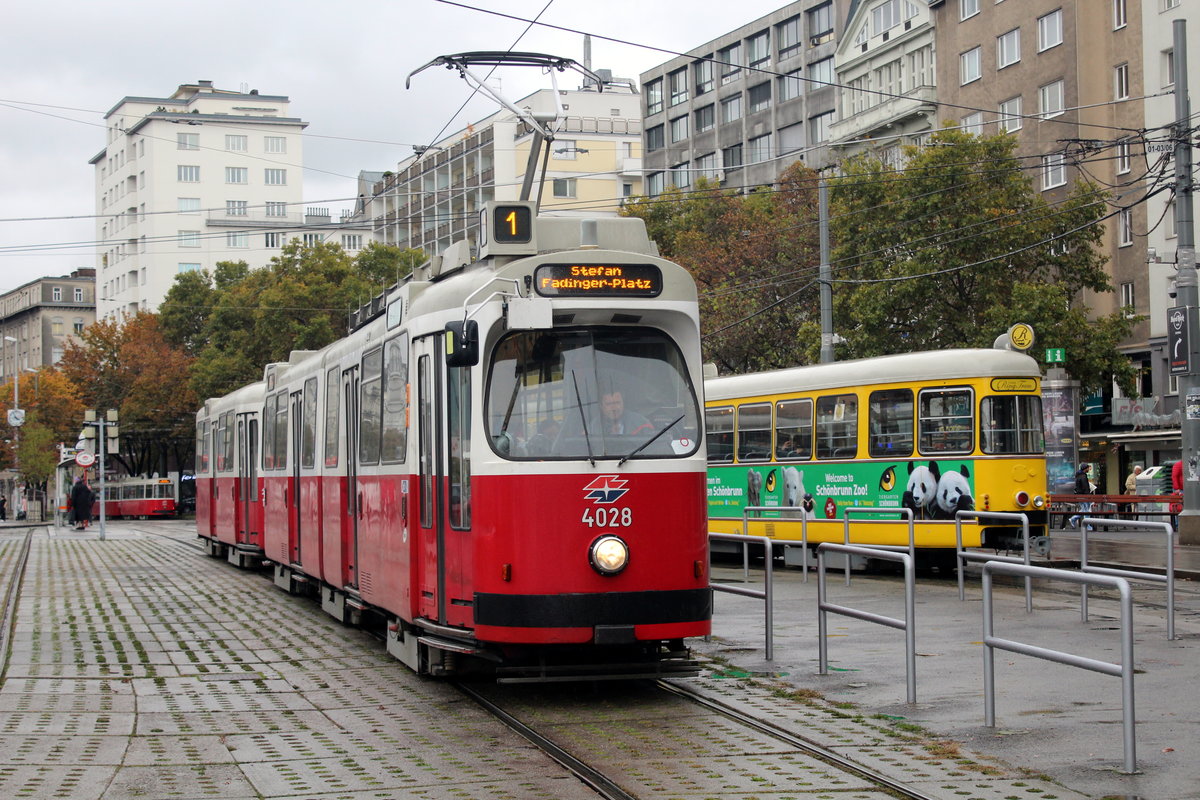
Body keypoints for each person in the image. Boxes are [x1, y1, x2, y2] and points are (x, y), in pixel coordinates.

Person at [1068, 464, 1092, 529]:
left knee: (1085, 509)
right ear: (1085, 468)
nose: (1088, 469)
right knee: (1086, 510)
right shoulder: (1083, 476)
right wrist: (1088, 495)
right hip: (1083, 495)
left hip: (1080, 495)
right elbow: (1085, 487)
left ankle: (1073, 519)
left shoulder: (1079, 475)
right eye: (1087, 468)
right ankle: (1087, 525)